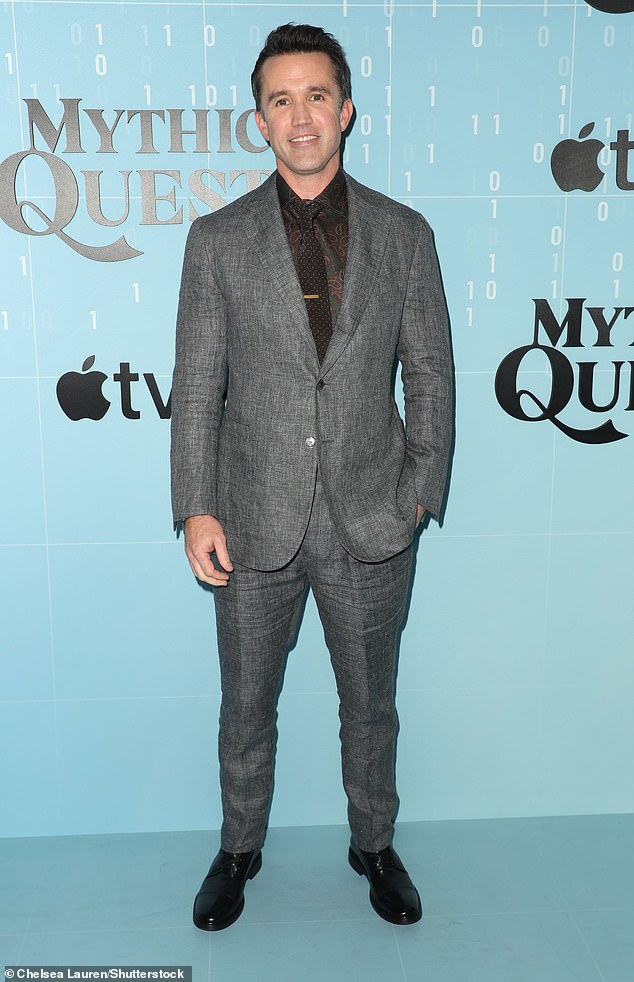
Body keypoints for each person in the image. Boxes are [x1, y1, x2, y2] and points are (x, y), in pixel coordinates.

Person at [171, 22, 453, 931]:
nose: (301, 116)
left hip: (374, 517)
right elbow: (197, 385)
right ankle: (238, 849)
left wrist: (418, 493)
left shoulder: (406, 234)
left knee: (371, 707)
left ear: (347, 110)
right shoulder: (216, 240)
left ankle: (374, 844)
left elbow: (431, 375)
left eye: (317, 96)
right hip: (252, 517)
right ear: (260, 120)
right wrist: (196, 507)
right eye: (281, 99)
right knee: (246, 708)